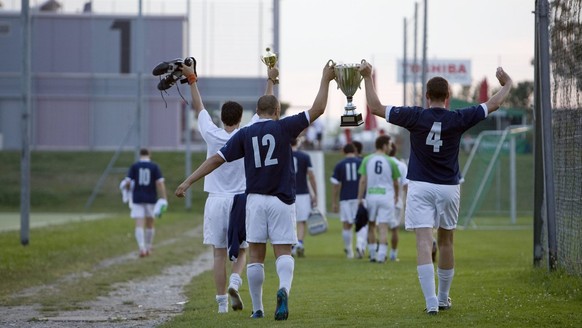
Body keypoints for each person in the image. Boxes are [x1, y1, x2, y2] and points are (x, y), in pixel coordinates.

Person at [175, 62, 335, 321]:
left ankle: (257, 308)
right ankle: (283, 289)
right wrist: (325, 79)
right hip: (281, 200)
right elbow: (317, 110)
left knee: (255, 256)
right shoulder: (283, 127)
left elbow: (216, 159)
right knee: (283, 251)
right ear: (277, 110)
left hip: (254, 201)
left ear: (255, 111)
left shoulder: (246, 133)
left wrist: (188, 181)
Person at [360, 61, 513, 314]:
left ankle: (431, 302)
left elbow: (375, 107)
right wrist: (507, 84)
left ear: (427, 96)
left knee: (423, 242)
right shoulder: (458, 117)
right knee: (446, 242)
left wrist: (367, 77)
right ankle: (443, 298)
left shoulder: (416, 115)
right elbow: (494, 103)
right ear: (449, 97)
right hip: (449, 187)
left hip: (420, 186)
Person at [178, 58, 267, 313]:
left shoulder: (211, 133)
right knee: (242, 250)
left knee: (218, 254)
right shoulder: (247, 133)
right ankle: (236, 281)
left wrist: (192, 79)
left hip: (216, 199)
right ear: (241, 118)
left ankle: (221, 306)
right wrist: (270, 80)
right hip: (240, 199)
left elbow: (198, 107)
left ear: (221, 118)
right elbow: (264, 111)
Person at [357, 135, 400, 263]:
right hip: (386, 196)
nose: (390, 147)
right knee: (383, 226)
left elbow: (363, 180)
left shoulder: (367, 159)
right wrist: (397, 196)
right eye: (390, 144)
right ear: (384, 145)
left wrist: (360, 197)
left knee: (371, 225)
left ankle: (372, 255)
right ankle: (381, 256)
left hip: (371, 196)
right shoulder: (391, 161)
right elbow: (396, 182)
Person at [122, 148, 167, 258]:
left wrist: (127, 190)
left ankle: (141, 248)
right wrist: (164, 198)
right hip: (151, 198)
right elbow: (160, 184)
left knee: (139, 223)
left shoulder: (134, 166)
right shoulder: (154, 166)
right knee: (150, 223)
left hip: (137, 198)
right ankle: (148, 246)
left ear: (140, 154)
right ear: (149, 154)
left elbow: (127, 183)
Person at [330, 143, 362, 259]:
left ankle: (349, 250)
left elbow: (335, 185)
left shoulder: (340, 165)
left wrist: (334, 202)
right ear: (355, 151)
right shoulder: (361, 162)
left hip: (345, 198)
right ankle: (360, 245)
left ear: (344, 151)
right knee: (361, 224)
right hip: (360, 198)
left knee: (346, 225)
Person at [290, 138, 318, 258]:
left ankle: (292, 245)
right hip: (303, 192)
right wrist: (315, 194)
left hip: (286, 193)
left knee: (289, 221)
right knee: (302, 221)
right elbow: (311, 176)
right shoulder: (304, 156)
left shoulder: (282, 155)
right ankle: (300, 243)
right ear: (298, 142)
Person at [351, 140, 368, 258]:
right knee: (364, 223)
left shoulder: (347, 161)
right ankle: (361, 245)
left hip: (349, 197)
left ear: (355, 149)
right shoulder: (365, 161)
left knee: (356, 223)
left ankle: (357, 246)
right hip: (364, 196)